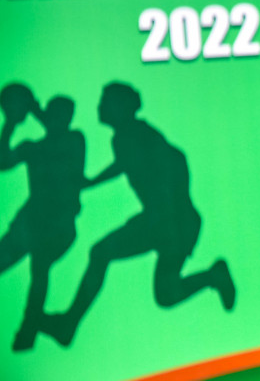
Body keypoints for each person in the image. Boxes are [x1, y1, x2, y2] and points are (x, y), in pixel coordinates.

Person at [46, 83, 235, 346]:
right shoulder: (128, 138)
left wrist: (168, 223)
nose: (101, 106)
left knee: (103, 254)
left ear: (124, 107)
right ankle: (213, 276)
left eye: (107, 100)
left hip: (170, 223)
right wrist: (89, 183)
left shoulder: (138, 136)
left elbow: (165, 168)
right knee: (166, 293)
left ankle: (69, 324)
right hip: (168, 221)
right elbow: (126, 164)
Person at [0, 86, 86, 351]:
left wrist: (31, 107)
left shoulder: (74, 140)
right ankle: (29, 332)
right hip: (30, 223)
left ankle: (27, 332)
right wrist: (10, 123)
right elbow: (4, 162)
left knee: (39, 269)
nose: (58, 119)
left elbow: (57, 136)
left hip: (58, 225)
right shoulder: (32, 148)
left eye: (64, 115)